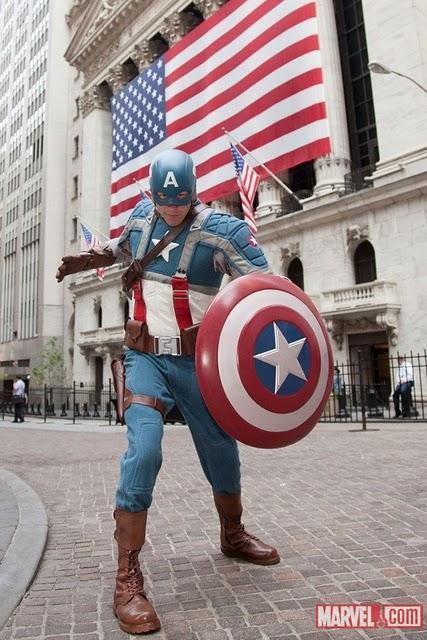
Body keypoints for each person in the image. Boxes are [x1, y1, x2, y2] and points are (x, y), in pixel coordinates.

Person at [56, 149, 280, 635]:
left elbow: (267, 289)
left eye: (178, 201)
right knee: (145, 450)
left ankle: (232, 532)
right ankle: (127, 578)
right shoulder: (141, 214)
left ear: (193, 192)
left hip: (198, 362)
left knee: (221, 448)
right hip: (144, 357)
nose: (170, 209)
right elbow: (123, 247)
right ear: (153, 194)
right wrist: (92, 258)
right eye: (163, 201)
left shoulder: (224, 231)